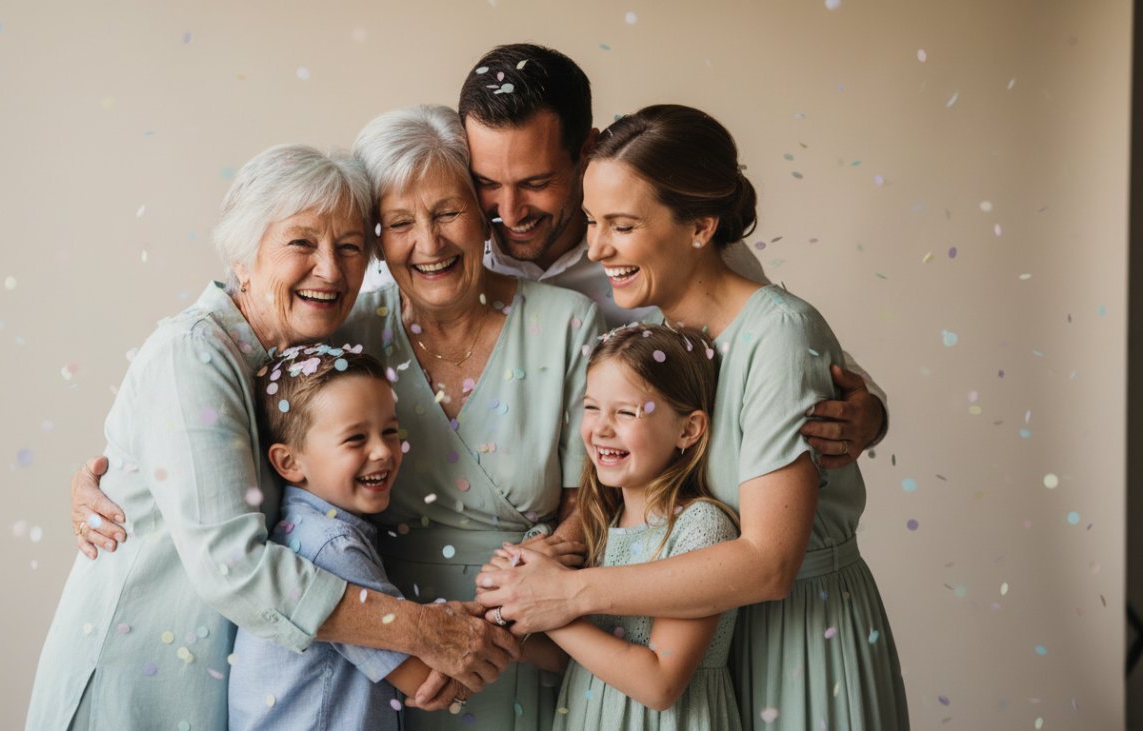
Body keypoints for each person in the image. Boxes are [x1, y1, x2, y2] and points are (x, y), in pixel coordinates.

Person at [26, 144, 516, 731]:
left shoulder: (304, 360)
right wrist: (418, 630)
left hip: (217, 685)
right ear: (243, 258)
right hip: (137, 680)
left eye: (351, 247)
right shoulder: (195, 354)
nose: (330, 270)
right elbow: (233, 566)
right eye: (301, 243)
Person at [476, 105, 909, 730]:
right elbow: (651, 502)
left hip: (797, 643)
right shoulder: (656, 338)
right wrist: (548, 555)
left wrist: (569, 594)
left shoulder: (780, 335)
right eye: (593, 221)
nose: (596, 248)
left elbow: (768, 562)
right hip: (694, 650)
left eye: (621, 225)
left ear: (701, 227)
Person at [363, 42, 887, 465]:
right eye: (487, 184)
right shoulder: (439, 261)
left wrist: (869, 417)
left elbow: (791, 353)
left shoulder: (669, 246)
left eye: (537, 182)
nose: (510, 210)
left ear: (587, 150)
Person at [336, 104, 604, 730]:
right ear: (377, 237)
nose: (428, 244)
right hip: (390, 651)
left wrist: (515, 599)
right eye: (399, 222)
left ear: (482, 217)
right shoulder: (348, 337)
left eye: (447, 213)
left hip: (528, 638)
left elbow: (590, 503)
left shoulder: (566, 324)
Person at [229, 345, 468, 730]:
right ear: (289, 462)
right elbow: (426, 681)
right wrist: (504, 613)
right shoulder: (332, 546)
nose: (383, 451)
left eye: (390, 431)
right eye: (356, 439)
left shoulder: (303, 529)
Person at [516, 324, 743, 731]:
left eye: (626, 412)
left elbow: (660, 684)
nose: (601, 428)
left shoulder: (701, 528)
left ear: (687, 429)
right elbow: (579, 657)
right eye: (591, 407)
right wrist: (516, 617)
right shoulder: (603, 524)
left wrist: (546, 604)